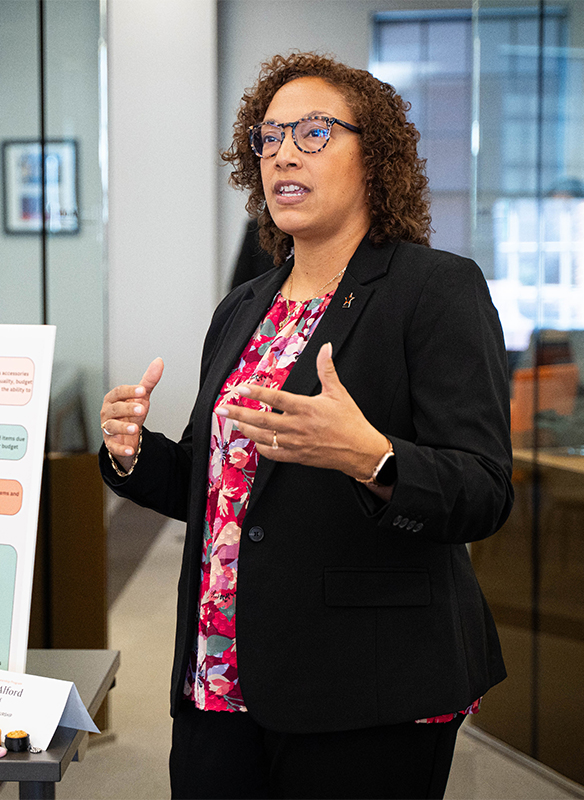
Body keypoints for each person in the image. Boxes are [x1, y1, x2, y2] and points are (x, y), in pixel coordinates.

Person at [99, 52, 513, 800]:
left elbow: (484, 490)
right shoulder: (245, 305)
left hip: (365, 688)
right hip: (219, 676)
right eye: (268, 136)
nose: (284, 151)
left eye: (315, 133)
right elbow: (220, 489)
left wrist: (374, 459)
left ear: (376, 157)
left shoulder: (436, 290)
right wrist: (132, 455)